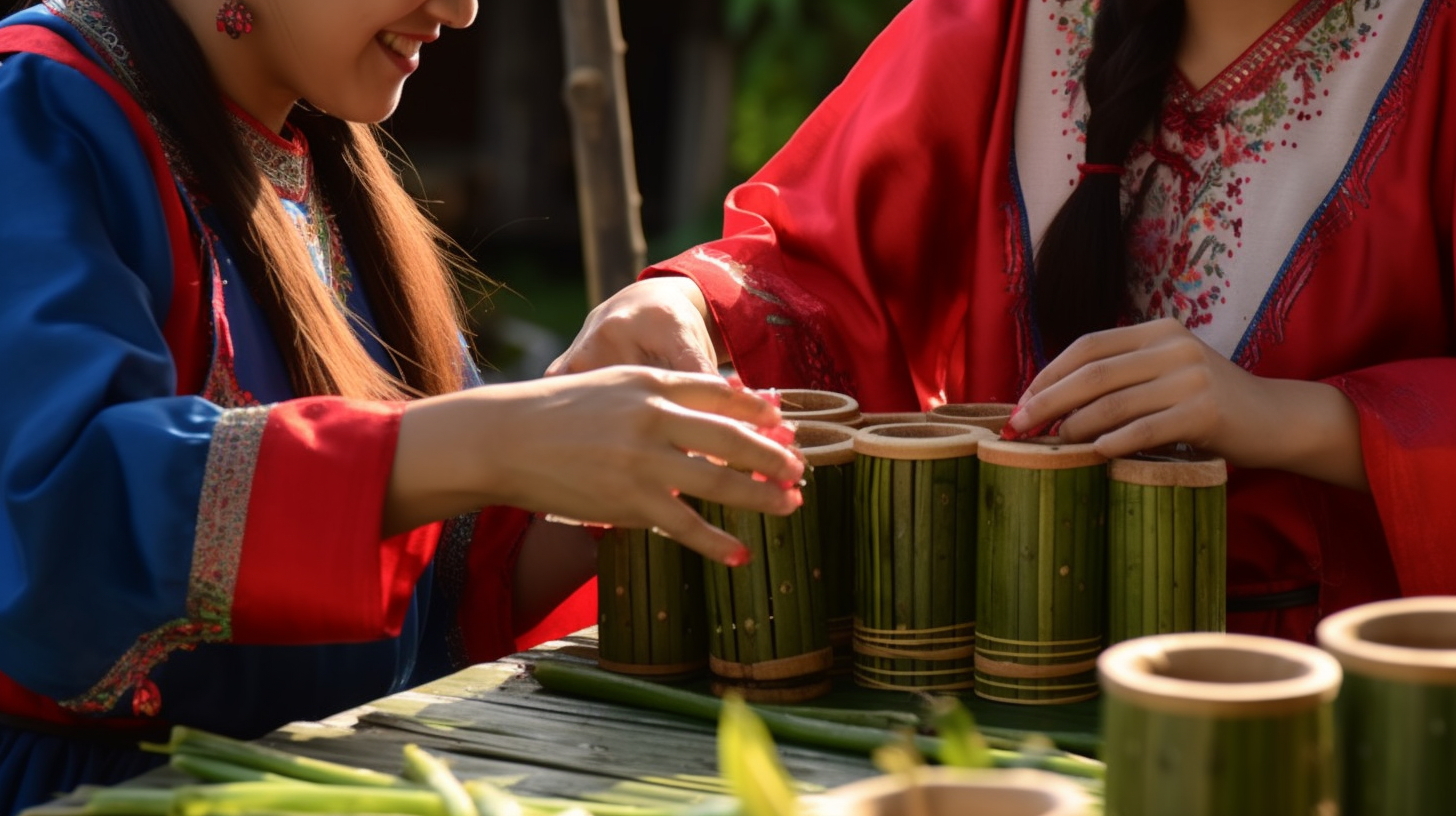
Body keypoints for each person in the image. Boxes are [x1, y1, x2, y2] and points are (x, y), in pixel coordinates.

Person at [0, 0, 806, 811]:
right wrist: (490, 443)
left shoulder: (318, 140)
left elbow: (436, 577)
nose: (460, 11)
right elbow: (61, 515)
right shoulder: (36, 106)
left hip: (336, 777)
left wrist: (615, 459)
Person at [553, 0, 1456, 649]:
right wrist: (689, 308)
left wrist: (1298, 418)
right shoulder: (998, 24)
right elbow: (815, 270)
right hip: (1005, 660)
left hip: (1339, 687)